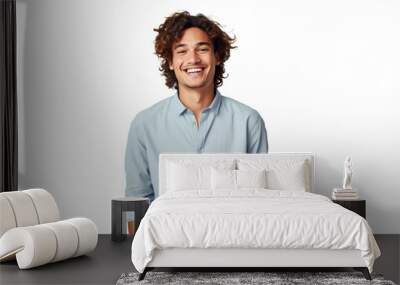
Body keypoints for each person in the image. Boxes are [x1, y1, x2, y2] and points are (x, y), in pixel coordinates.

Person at [125, 11, 268, 201]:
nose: (193, 59)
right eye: (182, 51)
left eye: (202, 49)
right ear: (170, 61)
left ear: (217, 56)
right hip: (166, 230)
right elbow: (137, 201)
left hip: (233, 229)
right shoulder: (144, 124)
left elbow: (258, 198)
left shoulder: (248, 121)